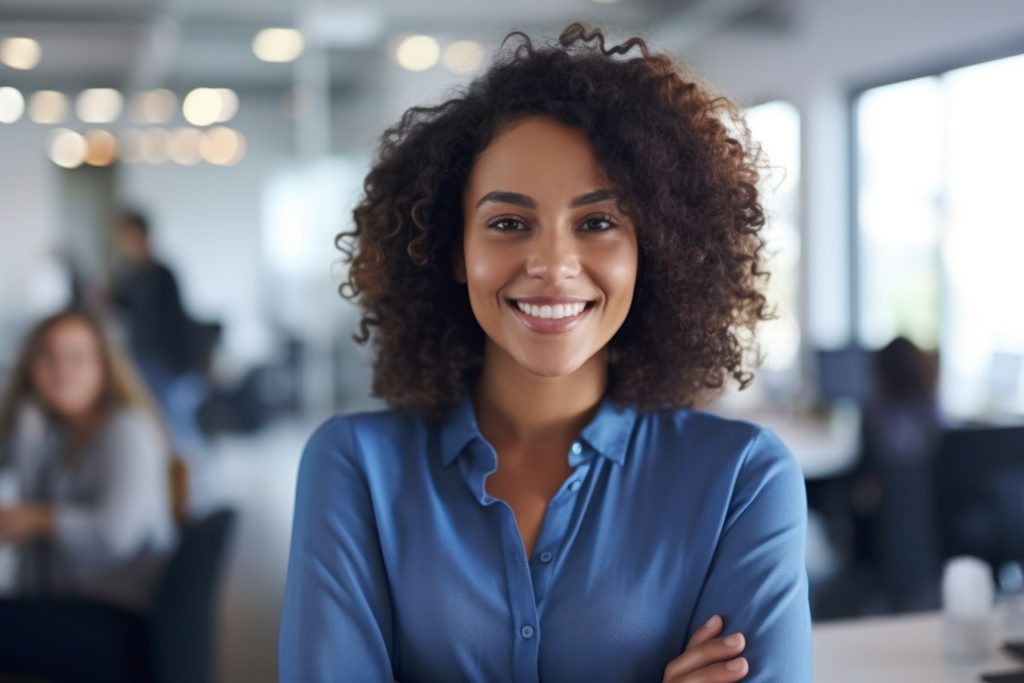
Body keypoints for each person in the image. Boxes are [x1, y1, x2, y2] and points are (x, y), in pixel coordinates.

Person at [280, 23, 811, 683]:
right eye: (508, 223)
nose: (554, 265)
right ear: (454, 249)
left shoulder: (742, 480)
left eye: (597, 223)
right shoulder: (354, 468)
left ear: (654, 249)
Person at [0, 309, 177, 612]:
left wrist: (39, 520)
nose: (60, 370)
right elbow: (25, 492)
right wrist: (27, 423)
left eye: (77, 358)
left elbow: (115, 538)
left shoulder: (128, 431)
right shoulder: (57, 430)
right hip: (65, 599)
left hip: (118, 611)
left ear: (104, 368)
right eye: (47, 358)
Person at [110, 211, 206, 463]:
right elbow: (121, 305)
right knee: (151, 423)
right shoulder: (129, 275)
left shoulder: (162, 275)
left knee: (177, 426)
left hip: (165, 362)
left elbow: (178, 321)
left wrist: (185, 365)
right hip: (140, 359)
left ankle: (192, 485)